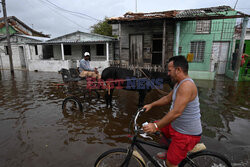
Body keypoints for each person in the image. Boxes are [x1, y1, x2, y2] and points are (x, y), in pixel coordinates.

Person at [143, 56, 202, 167]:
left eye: (170, 70)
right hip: (176, 126)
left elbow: (176, 112)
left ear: (178, 70)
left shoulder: (187, 86)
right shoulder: (178, 83)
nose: (168, 73)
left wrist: (155, 125)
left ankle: (173, 158)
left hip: (186, 133)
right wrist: (151, 105)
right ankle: (171, 151)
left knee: (170, 163)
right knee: (158, 131)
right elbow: (167, 99)